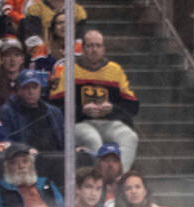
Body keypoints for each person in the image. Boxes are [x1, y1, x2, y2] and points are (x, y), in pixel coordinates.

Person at [50, 29, 139, 168]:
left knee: (130, 137)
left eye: (98, 46)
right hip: (81, 124)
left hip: (110, 122)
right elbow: (55, 106)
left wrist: (112, 109)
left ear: (104, 49)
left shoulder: (115, 70)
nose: (94, 50)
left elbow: (133, 105)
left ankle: (118, 179)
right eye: (90, 46)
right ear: (83, 49)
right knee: (93, 139)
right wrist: (81, 110)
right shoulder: (69, 70)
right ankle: (98, 182)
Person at [0, 142, 63, 207]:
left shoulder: (47, 183)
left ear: (32, 164)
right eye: (14, 163)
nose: (21, 166)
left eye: (25, 161)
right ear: (7, 167)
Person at [0, 68, 64, 150]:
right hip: (25, 158)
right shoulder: (7, 112)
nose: (31, 92)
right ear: (18, 90)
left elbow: (64, 138)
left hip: (55, 157)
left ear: (40, 88)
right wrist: (24, 149)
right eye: (26, 88)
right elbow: (4, 142)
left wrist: (75, 148)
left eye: (34, 87)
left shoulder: (54, 112)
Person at [94, 141, 123, 207]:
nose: (110, 165)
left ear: (120, 165)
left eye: (115, 161)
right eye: (106, 160)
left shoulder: (125, 188)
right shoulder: (91, 187)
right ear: (98, 163)